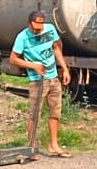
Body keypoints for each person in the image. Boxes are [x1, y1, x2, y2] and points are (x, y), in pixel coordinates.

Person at [9, 9, 71, 157]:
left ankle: (54, 145)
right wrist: (34, 66)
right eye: (35, 28)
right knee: (34, 114)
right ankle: (31, 147)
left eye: (40, 27)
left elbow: (56, 48)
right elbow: (13, 59)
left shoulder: (49, 29)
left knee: (55, 112)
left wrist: (64, 69)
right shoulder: (22, 37)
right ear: (29, 24)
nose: (38, 30)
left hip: (53, 78)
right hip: (37, 80)